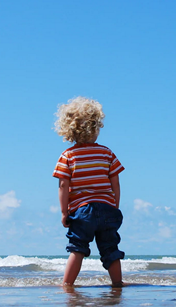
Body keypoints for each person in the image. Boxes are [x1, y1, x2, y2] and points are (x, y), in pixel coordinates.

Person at [52, 96, 125, 287]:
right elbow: (115, 182)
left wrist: (64, 212)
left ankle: (67, 284)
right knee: (110, 248)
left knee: (77, 249)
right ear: (96, 127)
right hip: (107, 208)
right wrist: (114, 205)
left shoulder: (68, 156)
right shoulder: (107, 153)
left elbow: (63, 186)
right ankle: (117, 283)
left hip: (82, 211)